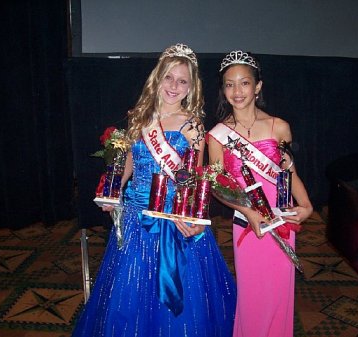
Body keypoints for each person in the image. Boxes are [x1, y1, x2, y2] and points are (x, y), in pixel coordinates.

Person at [72, 44, 236, 337]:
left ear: (191, 87)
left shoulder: (192, 126)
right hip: (136, 219)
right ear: (157, 79)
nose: (174, 86)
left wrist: (192, 218)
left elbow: (195, 176)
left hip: (175, 219)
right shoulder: (139, 118)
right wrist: (112, 192)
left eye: (182, 81)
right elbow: (129, 163)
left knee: (183, 300)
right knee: (130, 292)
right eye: (169, 78)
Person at [207, 50, 313, 337]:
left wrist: (306, 206)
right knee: (253, 299)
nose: (237, 91)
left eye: (244, 83)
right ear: (223, 89)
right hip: (248, 224)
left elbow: (289, 174)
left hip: (281, 220)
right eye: (229, 84)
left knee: (279, 297)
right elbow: (217, 185)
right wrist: (247, 212)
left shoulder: (279, 127)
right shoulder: (217, 134)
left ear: (258, 87)